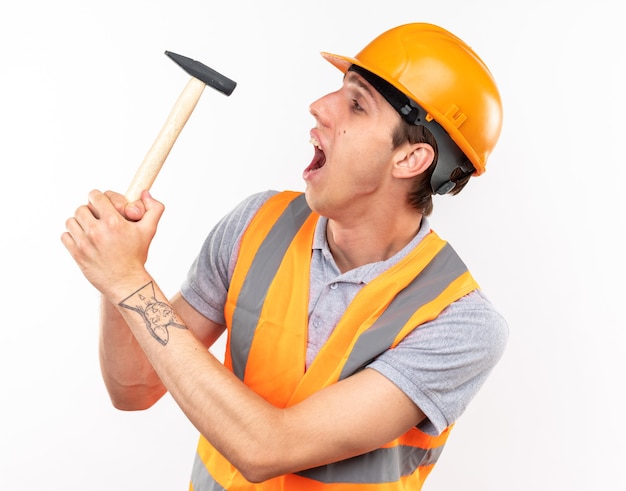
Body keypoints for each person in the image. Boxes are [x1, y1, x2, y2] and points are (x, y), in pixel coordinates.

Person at [62, 22, 507, 490]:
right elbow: (134, 387)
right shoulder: (256, 224)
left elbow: (267, 449)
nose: (319, 107)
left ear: (410, 159)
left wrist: (130, 282)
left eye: (356, 104)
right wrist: (115, 277)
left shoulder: (460, 324)